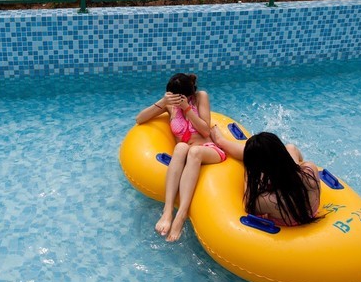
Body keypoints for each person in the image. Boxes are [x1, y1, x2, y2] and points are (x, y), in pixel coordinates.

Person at [135, 73, 226, 242]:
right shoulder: (170, 104)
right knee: (181, 147)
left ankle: (181, 216)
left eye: (180, 97)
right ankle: (168, 211)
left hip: (208, 149)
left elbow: (206, 131)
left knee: (193, 151)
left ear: (189, 94)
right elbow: (139, 119)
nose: (176, 100)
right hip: (185, 152)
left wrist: (187, 109)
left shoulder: (200, 97)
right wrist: (163, 102)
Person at [210, 128, 322, 227]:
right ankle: (223, 142)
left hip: (287, 212)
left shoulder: (267, 200)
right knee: (291, 148)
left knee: (259, 155)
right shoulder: (310, 170)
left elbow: (249, 206)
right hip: (295, 190)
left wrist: (251, 170)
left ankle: (222, 143)